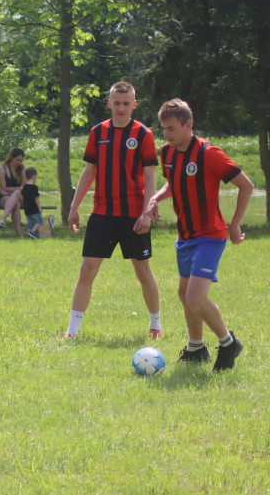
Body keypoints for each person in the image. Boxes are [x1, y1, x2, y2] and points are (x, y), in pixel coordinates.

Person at [146, 99, 253, 371]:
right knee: (184, 294)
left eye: (172, 129)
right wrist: (155, 199)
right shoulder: (167, 153)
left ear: (188, 124)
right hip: (185, 236)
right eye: (163, 129)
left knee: (195, 297)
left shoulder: (209, 154)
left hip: (211, 235)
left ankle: (228, 343)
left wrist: (235, 224)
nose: (167, 135)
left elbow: (246, 185)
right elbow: (174, 181)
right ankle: (196, 348)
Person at [64, 81, 162, 340]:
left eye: (126, 103)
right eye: (116, 103)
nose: (121, 108)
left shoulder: (143, 134)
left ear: (134, 105)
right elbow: (89, 172)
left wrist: (146, 212)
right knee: (87, 269)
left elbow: (151, 176)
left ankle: (156, 325)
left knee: (143, 271)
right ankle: (71, 332)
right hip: (102, 214)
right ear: (109, 103)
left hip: (133, 215)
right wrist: (74, 207)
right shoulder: (98, 132)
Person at [0, 148, 26, 238]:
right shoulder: (2, 168)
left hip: (21, 197)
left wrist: (8, 192)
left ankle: (3, 219)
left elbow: (23, 189)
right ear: (11, 157)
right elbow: (3, 187)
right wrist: (17, 189)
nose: (19, 162)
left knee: (16, 193)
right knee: (15, 203)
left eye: (21, 160)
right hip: (5, 197)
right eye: (17, 160)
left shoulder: (24, 169)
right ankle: (19, 235)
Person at [21, 167, 43, 239]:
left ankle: (29, 233)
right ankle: (32, 232)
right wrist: (39, 208)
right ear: (34, 176)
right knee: (39, 221)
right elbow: (36, 198)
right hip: (34, 209)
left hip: (27, 209)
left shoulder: (24, 187)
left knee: (30, 222)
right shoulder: (34, 187)